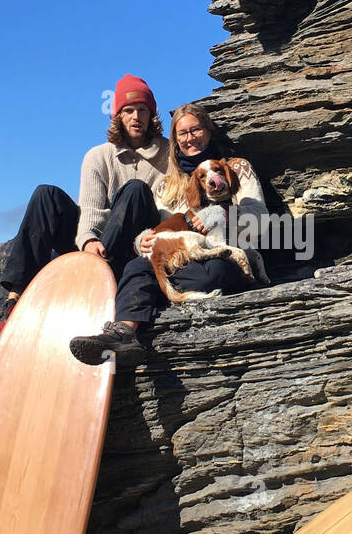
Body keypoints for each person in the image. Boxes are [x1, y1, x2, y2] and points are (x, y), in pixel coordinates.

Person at [70, 102, 270, 360]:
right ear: (175, 141)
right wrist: (142, 241)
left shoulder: (236, 168)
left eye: (196, 130)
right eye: (182, 134)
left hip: (225, 253)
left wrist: (225, 216)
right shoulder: (168, 184)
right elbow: (155, 226)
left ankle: (161, 295)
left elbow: (261, 218)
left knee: (215, 273)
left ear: (209, 131)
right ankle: (123, 333)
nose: (190, 139)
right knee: (137, 265)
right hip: (180, 257)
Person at [0, 74, 169, 336]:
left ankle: (98, 282)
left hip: (135, 249)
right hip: (95, 249)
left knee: (135, 189)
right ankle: (15, 300)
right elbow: (91, 208)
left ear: (151, 115)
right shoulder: (98, 156)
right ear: (118, 116)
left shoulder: (168, 154)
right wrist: (87, 240)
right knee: (46, 194)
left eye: (142, 110)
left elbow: (169, 205)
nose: (135, 117)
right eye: (128, 110)